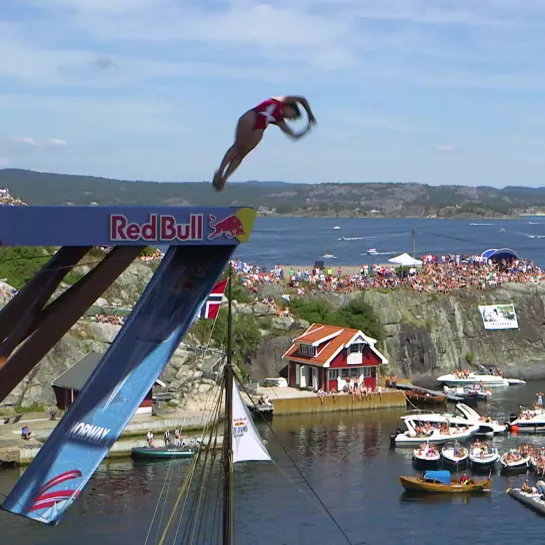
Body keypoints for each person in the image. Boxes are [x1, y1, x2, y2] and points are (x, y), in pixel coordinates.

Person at [212, 96, 317, 191]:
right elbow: (302, 99)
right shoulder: (279, 101)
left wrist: (307, 129)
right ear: (290, 107)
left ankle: (224, 179)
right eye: (292, 116)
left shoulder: (279, 120)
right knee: (238, 145)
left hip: (260, 127)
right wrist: (310, 114)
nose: (289, 118)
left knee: (241, 154)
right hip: (252, 116)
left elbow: (294, 135)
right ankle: (220, 172)